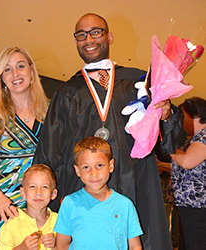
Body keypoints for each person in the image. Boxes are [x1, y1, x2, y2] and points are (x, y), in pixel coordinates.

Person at [33, 13, 186, 249]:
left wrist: (166, 114)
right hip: (85, 193)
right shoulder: (66, 92)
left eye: (96, 32)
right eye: (81, 35)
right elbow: (50, 150)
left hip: (134, 182)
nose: (89, 39)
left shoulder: (139, 82)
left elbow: (167, 145)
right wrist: (42, 198)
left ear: (110, 37)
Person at [0, 46, 49, 249]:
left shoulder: (50, 111)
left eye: (20, 66)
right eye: (7, 69)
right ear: (1, 78)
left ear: (32, 71)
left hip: (42, 202)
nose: (15, 74)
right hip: (4, 204)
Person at [55, 136, 143, 250]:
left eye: (100, 165)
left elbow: (135, 246)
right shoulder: (69, 203)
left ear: (111, 166)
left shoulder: (125, 205)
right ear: (77, 171)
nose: (94, 173)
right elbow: (61, 245)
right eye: (86, 167)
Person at [170, 97, 206, 250]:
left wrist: (168, 147)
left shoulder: (204, 137)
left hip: (197, 207)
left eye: (182, 116)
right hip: (190, 206)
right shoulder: (194, 139)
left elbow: (187, 161)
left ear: (195, 116)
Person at [0, 164, 58, 250]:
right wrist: (22, 248)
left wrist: (56, 246)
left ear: (53, 194)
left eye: (44, 187)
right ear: (23, 192)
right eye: (32, 187)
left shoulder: (60, 222)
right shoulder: (12, 224)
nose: (38, 192)